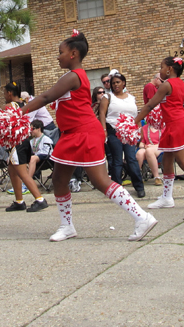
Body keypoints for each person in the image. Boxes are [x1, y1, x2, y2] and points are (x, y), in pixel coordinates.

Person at [19, 31, 157, 242]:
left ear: (73, 54)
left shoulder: (74, 76)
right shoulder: (72, 75)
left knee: (100, 181)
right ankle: (67, 226)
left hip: (84, 133)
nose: (58, 56)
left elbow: (46, 97)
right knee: (58, 179)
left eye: (61, 52)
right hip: (71, 134)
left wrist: (18, 114)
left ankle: (142, 217)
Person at [133, 57, 184, 210]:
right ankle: (166, 197)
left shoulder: (167, 84)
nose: (160, 70)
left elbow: (150, 105)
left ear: (169, 69)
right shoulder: (180, 83)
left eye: (162, 67)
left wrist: (135, 122)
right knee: (167, 162)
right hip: (173, 124)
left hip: (175, 124)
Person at [1, 82, 49, 213]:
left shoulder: (10, 106)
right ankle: (19, 201)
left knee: (22, 173)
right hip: (23, 141)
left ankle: (40, 199)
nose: (4, 96)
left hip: (17, 143)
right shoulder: (24, 104)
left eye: (4, 93)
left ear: (9, 93)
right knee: (12, 170)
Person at [98, 72, 146, 198]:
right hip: (114, 131)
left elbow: (135, 115)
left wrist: (139, 129)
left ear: (123, 83)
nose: (115, 85)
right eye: (113, 83)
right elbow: (102, 114)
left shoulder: (131, 98)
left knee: (131, 159)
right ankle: (116, 189)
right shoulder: (107, 97)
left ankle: (139, 187)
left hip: (129, 132)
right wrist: (104, 130)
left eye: (118, 82)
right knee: (117, 160)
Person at [137, 120, 162, 185]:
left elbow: (167, 142)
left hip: (160, 147)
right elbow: (141, 144)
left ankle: (157, 177)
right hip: (147, 147)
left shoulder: (163, 126)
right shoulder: (145, 128)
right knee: (140, 153)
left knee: (149, 151)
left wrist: (154, 146)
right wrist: (144, 146)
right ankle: (136, 177)